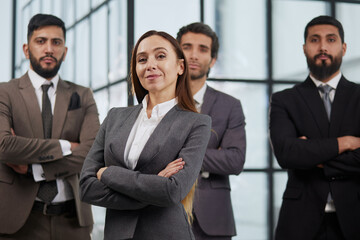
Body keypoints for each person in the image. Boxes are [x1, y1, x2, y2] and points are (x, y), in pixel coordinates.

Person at [79, 30, 211, 240]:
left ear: (180, 67)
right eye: (142, 59)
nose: (150, 65)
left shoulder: (196, 124)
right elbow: (86, 187)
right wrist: (154, 183)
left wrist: (108, 173)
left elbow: (172, 192)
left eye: (160, 56)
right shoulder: (115, 117)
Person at [0, 14, 99, 239]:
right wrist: (65, 146)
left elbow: (93, 152)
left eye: (56, 42)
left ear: (65, 50)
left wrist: (35, 169)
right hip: (18, 223)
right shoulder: (4, 92)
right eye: (41, 41)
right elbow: (4, 146)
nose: (49, 49)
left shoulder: (82, 95)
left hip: (73, 223)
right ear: (26, 50)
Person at [270, 15, 360, 240]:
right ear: (304, 48)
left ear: (344, 47)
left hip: (355, 217)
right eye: (314, 40)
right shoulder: (284, 99)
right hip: (300, 220)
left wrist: (311, 153)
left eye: (331, 40)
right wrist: (346, 143)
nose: (322, 47)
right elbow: (287, 154)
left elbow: (299, 153)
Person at [176, 22, 246, 240]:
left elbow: (234, 160)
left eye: (203, 49)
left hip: (213, 220)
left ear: (213, 60)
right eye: (187, 47)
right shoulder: (158, 101)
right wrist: (211, 156)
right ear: (177, 55)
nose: (194, 55)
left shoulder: (230, 105)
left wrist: (180, 155)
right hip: (163, 214)